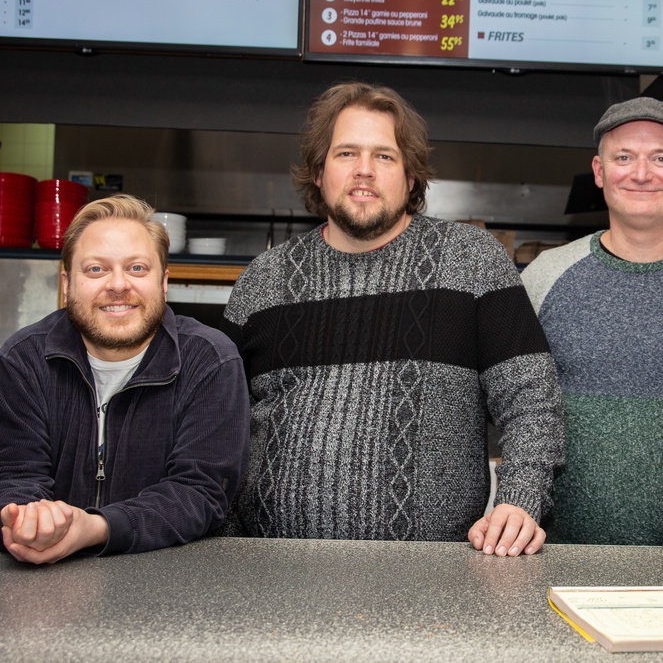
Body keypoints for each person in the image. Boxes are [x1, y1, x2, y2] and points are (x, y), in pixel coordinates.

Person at [219, 81, 564, 556]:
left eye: (384, 156)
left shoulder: (472, 261)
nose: (364, 171)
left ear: (410, 176)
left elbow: (532, 400)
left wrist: (520, 501)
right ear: (318, 172)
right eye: (345, 154)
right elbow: (217, 428)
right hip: (273, 568)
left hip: (428, 576)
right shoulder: (263, 280)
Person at [521, 97, 663, 545]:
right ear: (599, 171)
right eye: (624, 158)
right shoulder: (544, 277)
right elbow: (517, 410)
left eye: (660, 159)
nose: (641, 173)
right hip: (561, 554)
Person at [0, 194, 250, 563]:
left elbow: (199, 491)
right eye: (96, 269)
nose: (118, 285)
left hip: (171, 584)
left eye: (137, 268)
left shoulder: (211, 361)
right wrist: (28, 522)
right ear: (67, 283)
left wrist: (97, 528)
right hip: (47, 589)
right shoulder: (23, 359)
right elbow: (6, 478)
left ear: (163, 283)